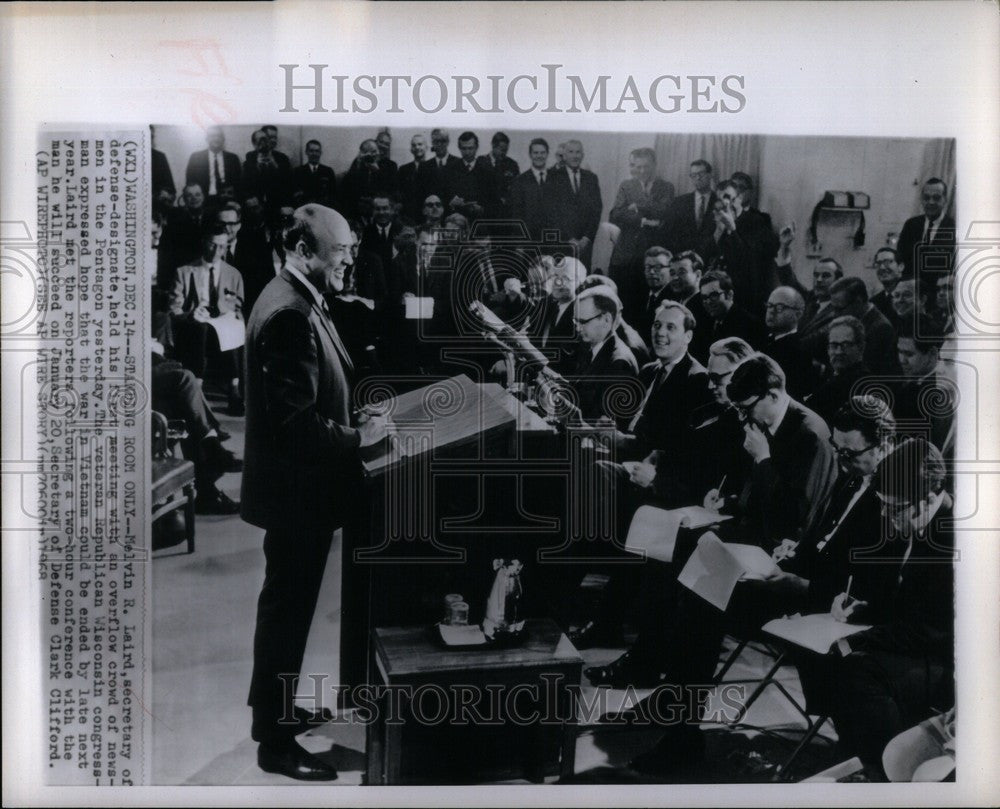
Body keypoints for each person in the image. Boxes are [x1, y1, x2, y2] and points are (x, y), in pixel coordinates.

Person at [242, 204, 387, 781]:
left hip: (298, 492)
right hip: (296, 495)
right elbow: (294, 424)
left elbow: (309, 393)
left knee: (288, 610)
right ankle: (274, 743)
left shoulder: (290, 294)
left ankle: (276, 712)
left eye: (351, 250)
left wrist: (354, 411)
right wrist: (361, 434)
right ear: (305, 250)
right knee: (286, 613)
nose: (350, 260)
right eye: (341, 251)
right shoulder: (289, 314)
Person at [800, 438, 954, 777]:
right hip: (916, 642)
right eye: (882, 504)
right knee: (829, 653)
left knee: (859, 669)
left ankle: (884, 770)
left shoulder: (953, 540)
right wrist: (862, 608)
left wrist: (863, 638)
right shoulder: (911, 522)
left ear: (927, 499)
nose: (885, 514)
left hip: (945, 661)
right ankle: (854, 751)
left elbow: (930, 631)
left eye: (894, 507)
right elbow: (903, 602)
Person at [169, 223, 246, 414]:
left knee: (232, 326)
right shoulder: (184, 271)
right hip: (195, 323)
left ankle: (234, 388)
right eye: (213, 245)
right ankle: (197, 388)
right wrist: (191, 314)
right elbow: (174, 307)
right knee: (201, 329)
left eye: (222, 246)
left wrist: (227, 312)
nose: (217, 251)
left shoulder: (233, 274)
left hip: (221, 320)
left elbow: (237, 304)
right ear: (204, 243)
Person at [608, 147, 675, 307]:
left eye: (646, 166)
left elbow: (663, 211)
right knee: (622, 302)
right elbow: (615, 215)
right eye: (638, 167)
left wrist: (635, 205)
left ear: (654, 165)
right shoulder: (626, 185)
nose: (642, 171)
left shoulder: (666, 187)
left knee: (647, 303)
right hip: (625, 255)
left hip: (652, 255)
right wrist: (644, 221)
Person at [805, 315, 875, 425]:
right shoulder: (830, 375)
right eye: (834, 345)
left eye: (846, 345)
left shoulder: (861, 384)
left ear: (861, 347)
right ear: (828, 348)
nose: (839, 351)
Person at [895, 178, 956, 299]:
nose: (931, 202)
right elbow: (901, 257)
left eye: (936, 198)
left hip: (938, 295)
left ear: (945, 200)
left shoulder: (955, 227)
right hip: (911, 294)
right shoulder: (911, 224)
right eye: (926, 198)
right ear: (922, 200)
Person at [547, 139, 603, 267]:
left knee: (583, 282)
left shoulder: (591, 178)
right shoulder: (552, 177)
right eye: (571, 152)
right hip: (561, 244)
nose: (575, 156)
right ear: (564, 155)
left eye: (578, 152)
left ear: (582, 155)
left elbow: (596, 210)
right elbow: (551, 212)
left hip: (585, 246)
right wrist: (568, 238)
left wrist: (586, 238)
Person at [690, 268, 766, 362]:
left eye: (714, 295)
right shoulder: (706, 322)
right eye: (704, 297)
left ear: (729, 295)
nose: (708, 302)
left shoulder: (749, 325)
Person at [828, 276, 899, 375]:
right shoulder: (853, 321)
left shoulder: (880, 329)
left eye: (839, 309)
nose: (835, 314)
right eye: (833, 308)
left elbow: (864, 372)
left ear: (858, 302)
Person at [762, 286, 818, 400]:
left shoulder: (800, 351)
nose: (772, 311)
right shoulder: (762, 340)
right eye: (769, 305)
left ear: (798, 314)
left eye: (780, 307)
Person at [509, 137, 555, 242]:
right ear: (530, 154)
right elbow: (516, 215)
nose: (539, 156)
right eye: (536, 153)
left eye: (542, 153)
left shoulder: (556, 179)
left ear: (547, 154)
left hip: (553, 240)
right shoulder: (520, 181)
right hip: (529, 241)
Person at [668, 159, 718, 253]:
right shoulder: (679, 202)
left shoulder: (719, 201)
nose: (697, 178)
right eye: (693, 175)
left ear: (710, 175)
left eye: (701, 174)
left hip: (710, 256)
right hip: (683, 256)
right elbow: (671, 233)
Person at [185, 125, 242, 203]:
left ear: (223, 139)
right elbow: (190, 183)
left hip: (227, 202)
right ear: (207, 139)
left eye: (219, 136)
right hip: (203, 202)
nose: (216, 139)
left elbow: (238, 184)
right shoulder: (195, 158)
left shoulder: (233, 158)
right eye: (212, 136)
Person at [476, 131, 520, 217]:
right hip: (484, 211)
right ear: (493, 145)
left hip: (505, 211)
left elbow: (517, 188)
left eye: (506, 150)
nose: (504, 153)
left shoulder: (512, 164)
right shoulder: (480, 162)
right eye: (501, 149)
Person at [635, 246, 673, 340]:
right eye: (648, 267)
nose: (651, 272)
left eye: (658, 267)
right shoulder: (638, 296)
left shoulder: (674, 299)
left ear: (671, 270)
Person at [291, 139, 337, 207]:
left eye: (317, 151)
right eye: (311, 151)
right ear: (306, 152)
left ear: (321, 153)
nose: (314, 154)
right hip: (304, 208)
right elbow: (295, 194)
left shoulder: (328, 171)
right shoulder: (298, 171)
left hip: (323, 209)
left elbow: (333, 195)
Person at [398, 133, 428, 221]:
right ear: (411, 149)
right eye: (414, 145)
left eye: (420, 144)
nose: (417, 147)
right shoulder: (403, 169)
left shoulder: (433, 167)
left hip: (427, 214)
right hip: (408, 215)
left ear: (426, 147)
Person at [871, 247, 905, 324]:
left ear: (901, 267)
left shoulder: (913, 296)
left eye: (887, 262)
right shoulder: (874, 302)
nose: (882, 267)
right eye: (878, 263)